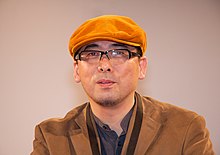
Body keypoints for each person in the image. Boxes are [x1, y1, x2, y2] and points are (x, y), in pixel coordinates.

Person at [31, 15, 215, 155]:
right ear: (77, 70)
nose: (104, 65)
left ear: (141, 67)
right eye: (92, 54)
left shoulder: (186, 128)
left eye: (119, 52)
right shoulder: (50, 137)